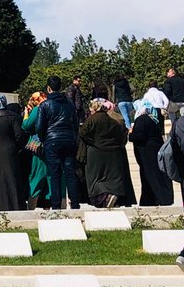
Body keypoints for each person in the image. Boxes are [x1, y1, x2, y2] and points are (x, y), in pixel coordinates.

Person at [80, 99, 135, 208]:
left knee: (96, 179)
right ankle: (113, 198)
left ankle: (103, 199)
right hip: (113, 153)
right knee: (112, 179)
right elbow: (122, 135)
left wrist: (92, 142)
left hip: (95, 153)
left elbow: (83, 133)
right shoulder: (112, 121)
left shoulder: (91, 120)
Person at [36, 76, 81, 210]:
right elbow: (75, 124)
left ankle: (55, 205)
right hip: (69, 140)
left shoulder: (44, 105)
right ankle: (75, 204)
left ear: (48, 89)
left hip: (52, 141)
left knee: (54, 175)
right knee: (70, 174)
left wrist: (44, 139)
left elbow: (39, 127)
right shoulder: (70, 105)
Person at [131, 99, 174, 206]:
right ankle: (149, 200)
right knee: (150, 176)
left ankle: (158, 199)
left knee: (151, 176)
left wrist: (130, 135)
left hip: (147, 153)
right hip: (153, 150)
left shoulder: (141, 120)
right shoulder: (152, 120)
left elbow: (139, 136)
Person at [22, 93, 51, 209]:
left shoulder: (38, 109)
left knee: (36, 176)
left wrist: (26, 114)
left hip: (39, 147)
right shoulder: (51, 106)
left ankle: (32, 205)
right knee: (50, 176)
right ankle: (48, 206)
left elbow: (26, 125)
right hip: (52, 144)